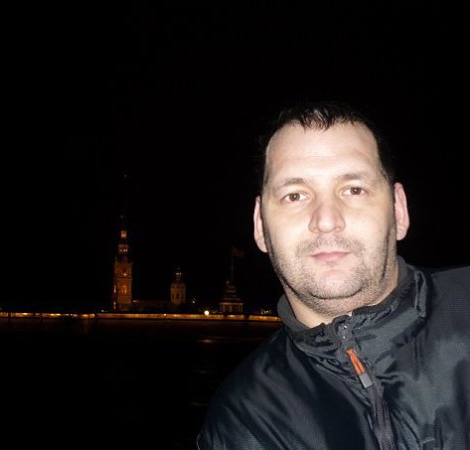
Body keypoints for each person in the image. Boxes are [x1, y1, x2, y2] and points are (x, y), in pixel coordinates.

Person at [197, 100, 469, 450]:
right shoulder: (244, 424)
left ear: (399, 210)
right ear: (260, 226)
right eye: (295, 195)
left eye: (354, 189)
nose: (326, 220)